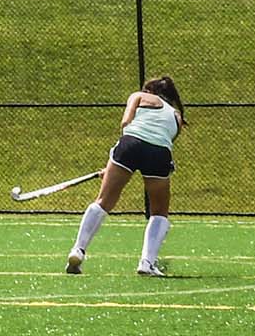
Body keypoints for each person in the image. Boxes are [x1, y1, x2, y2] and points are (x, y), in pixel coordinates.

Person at [69, 75, 186, 277]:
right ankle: (147, 262)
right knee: (159, 211)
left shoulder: (139, 96)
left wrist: (113, 166)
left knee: (104, 200)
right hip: (159, 154)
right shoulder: (177, 116)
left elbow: (126, 123)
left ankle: (78, 250)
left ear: (149, 91)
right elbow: (163, 141)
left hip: (129, 145)